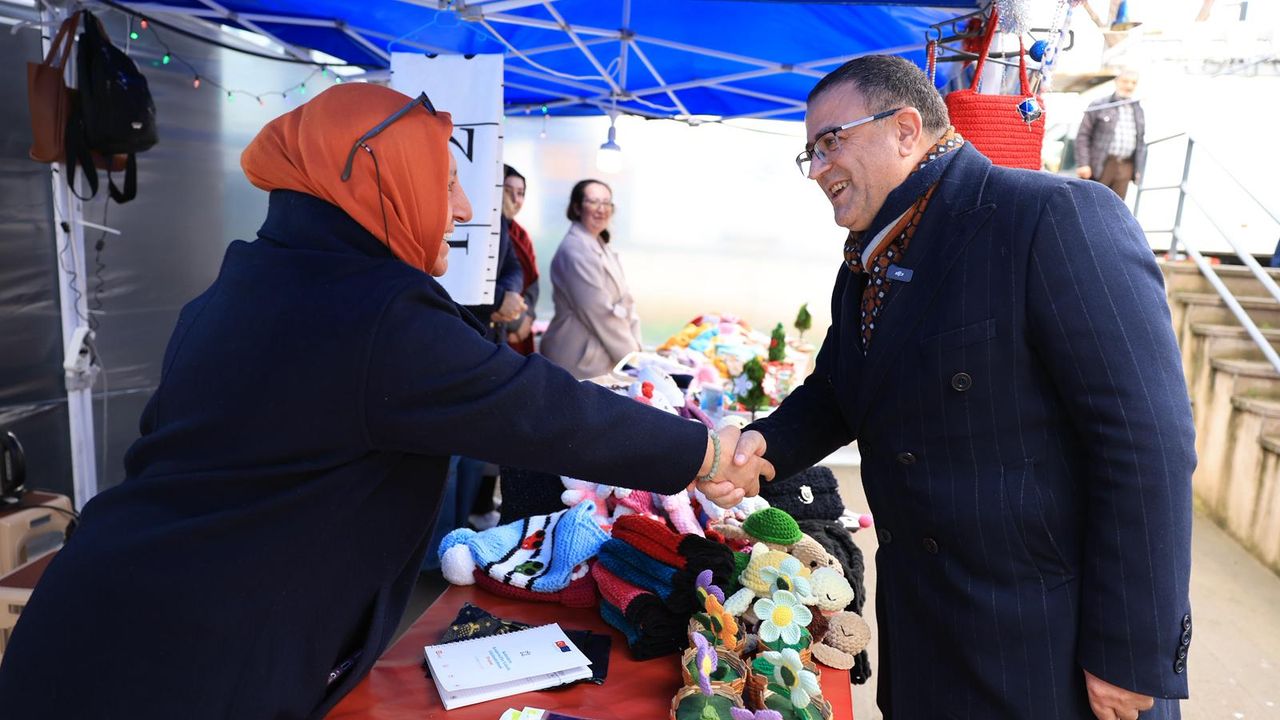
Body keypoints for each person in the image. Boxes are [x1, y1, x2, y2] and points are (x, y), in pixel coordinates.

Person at [0, 84, 769, 720]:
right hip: (181, 666)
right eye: (443, 181)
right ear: (377, 175)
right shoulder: (376, 313)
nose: (465, 209)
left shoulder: (250, 279)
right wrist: (702, 454)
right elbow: (539, 410)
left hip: (102, 616)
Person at [730, 56, 1194, 719]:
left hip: (1047, 649)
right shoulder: (867, 264)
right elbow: (838, 390)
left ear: (905, 128)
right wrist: (759, 446)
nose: (820, 168)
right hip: (928, 640)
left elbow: (1147, 443)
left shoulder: (1050, 216)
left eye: (832, 141)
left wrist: (1129, 650)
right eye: (810, 152)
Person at [540, 179, 642, 379]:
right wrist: (633, 361)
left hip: (601, 355)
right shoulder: (575, 249)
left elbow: (627, 300)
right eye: (593, 202)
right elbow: (599, 312)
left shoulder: (601, 244)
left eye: (606, 203)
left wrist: (637, 352)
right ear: (577, 208)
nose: (601, 209)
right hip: (577, 359)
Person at [1075, 68, 1146, 199]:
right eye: (1125, 81)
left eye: (1133, 83)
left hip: (1126, 166)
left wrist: (1138, 170)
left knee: (1115, 209)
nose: (1129, 86)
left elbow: (1141, 141)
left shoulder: (1138, 109)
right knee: (1093, 203)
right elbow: (1083, 135)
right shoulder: (1100, 105)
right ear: (1117, 82)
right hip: (1101, 164)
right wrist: (1083, 164)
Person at [503, 164, 540, 355]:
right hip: (499, 324)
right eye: (508, 191)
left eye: (520, 193)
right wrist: (515, 323)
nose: (515, 199)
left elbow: (533, 282)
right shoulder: (486, 233)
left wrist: (527, 319)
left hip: (522, 324)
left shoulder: (521, 234)